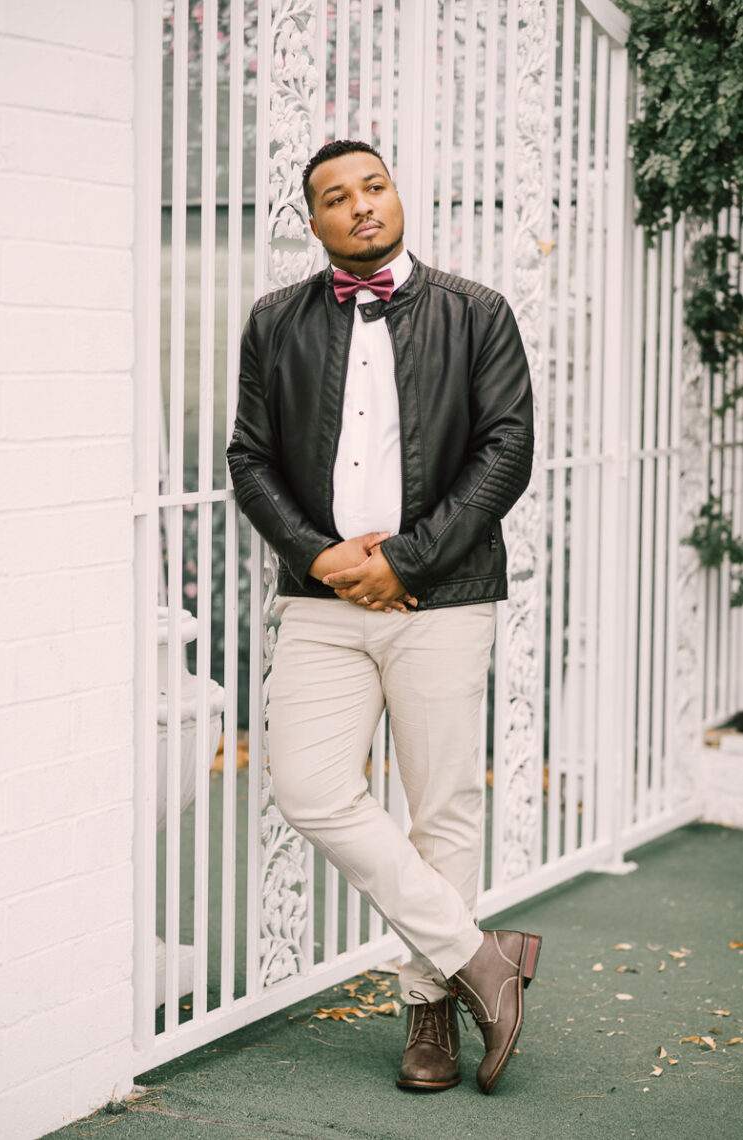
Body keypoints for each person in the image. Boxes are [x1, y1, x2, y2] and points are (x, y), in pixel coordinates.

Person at [227, 139, 540, 1095]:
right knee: (308, 785)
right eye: (337, 196)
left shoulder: (476, 312)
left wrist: (402, 562)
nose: (361, 204)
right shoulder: (274, 322)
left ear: (395, 197)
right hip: (321, 600)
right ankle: (478, 957)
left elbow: (506, 450)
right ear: (314, 220)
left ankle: (429, 1010)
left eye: (374, 186)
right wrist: (320, 556)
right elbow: (250, 457)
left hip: (442, 596)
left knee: (441, 803)